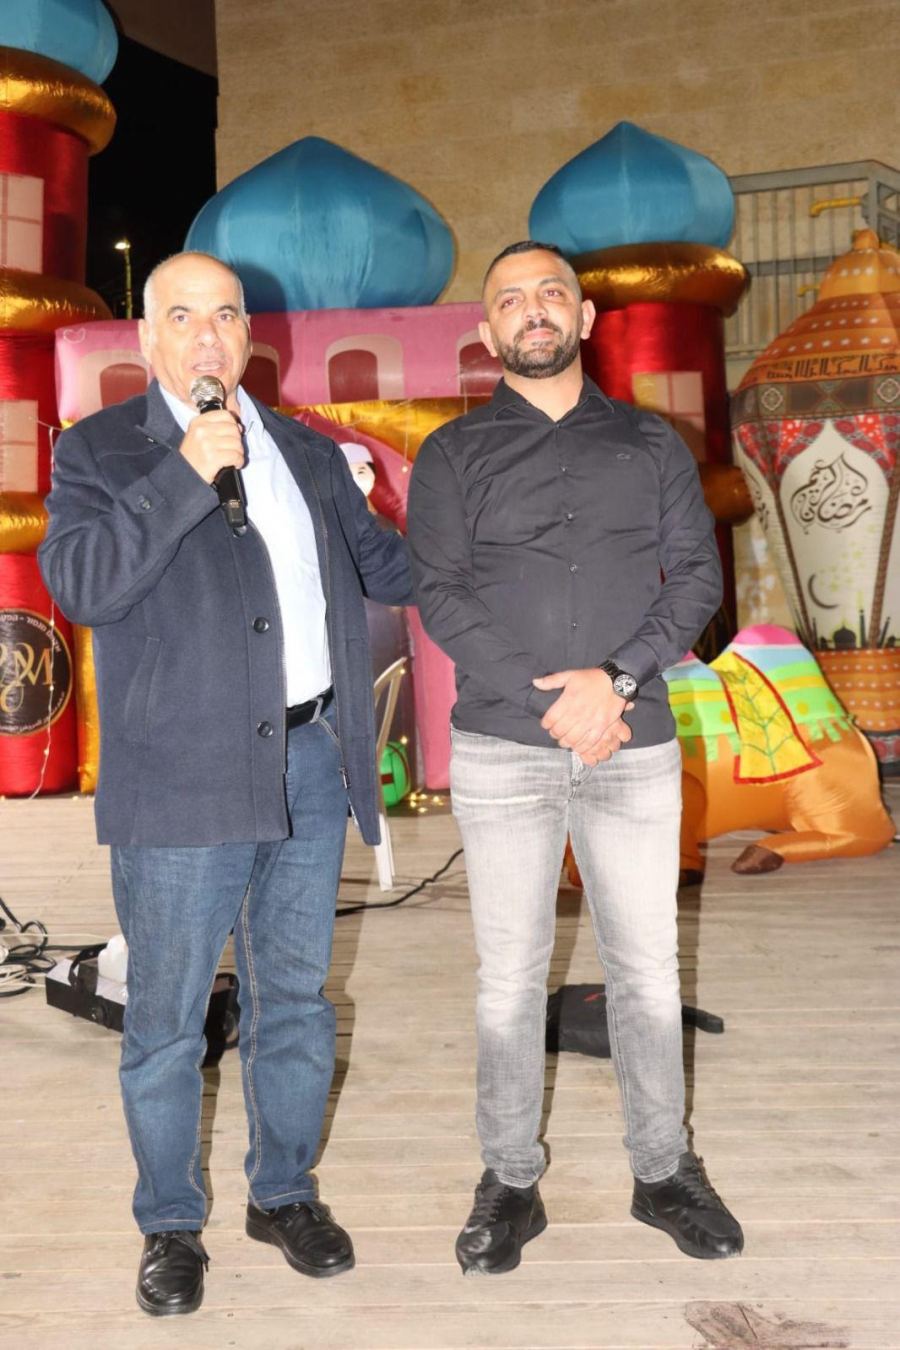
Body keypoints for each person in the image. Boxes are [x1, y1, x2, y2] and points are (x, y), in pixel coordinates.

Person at [39, 251, 413, 1315]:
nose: (207, 336)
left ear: (250, 334)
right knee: (167, 1018)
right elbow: (83, 585)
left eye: (226, 316)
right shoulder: (101, 451)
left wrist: (447, 517)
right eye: (182, 316)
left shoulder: (306, 449)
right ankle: (169, 1223)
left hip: (308, 761)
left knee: (294, 997)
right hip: (180, 778)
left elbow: (391, 572)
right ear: (146, 336)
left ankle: (282, 1193)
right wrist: (185, 472)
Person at [407, 240, 743, 1276]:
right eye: (512, 299)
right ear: (488, 330)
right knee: (508, 980)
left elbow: (696, 579)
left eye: (552, 292)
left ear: (586, 318)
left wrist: (618, 681)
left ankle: (663, 1171)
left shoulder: (651, 444)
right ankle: (510, 1180)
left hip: (634, 743)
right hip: (504, 748)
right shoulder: (451, 455)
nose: (534, 309)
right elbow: (440, 594)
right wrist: (554, 700)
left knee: (646, 970)